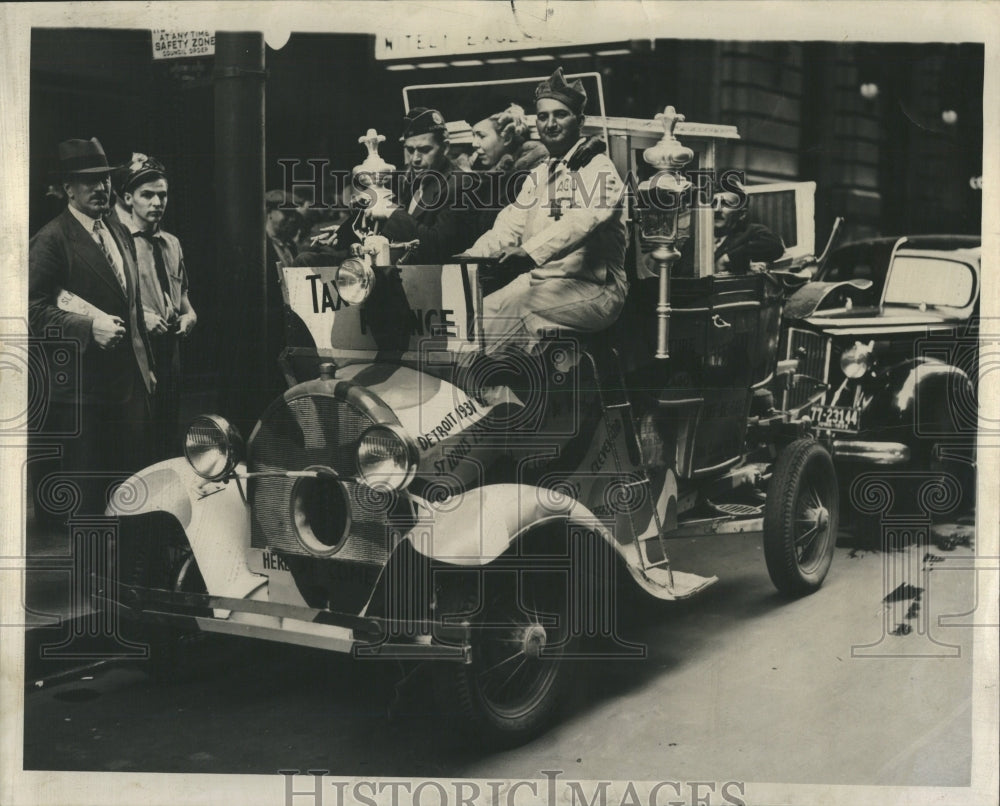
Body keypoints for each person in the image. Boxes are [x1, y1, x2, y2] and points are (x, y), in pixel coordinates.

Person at [29, 137, 156, 514]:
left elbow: (127, 301)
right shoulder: (51, 239)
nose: (101, 188)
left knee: (133, 495)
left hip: (130, 389)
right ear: (67, 188)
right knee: (89, 506)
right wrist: (87, 329)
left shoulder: (116, 230)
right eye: (89, 182)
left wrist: (146, 365)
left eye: (105, 179)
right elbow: (29, 310)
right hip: (85, 398)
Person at [466, 68, 628, 352]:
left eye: (560, 115)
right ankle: (488, 390)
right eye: (543, 116)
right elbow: (508, 227)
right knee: (482, 312)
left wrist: (529, 253)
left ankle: (488, 388)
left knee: (517, 312)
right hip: (541, 282)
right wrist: (465, 260)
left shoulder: (600, 169)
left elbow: (583, 220)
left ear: (580, 121)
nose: (550, 124)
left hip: (595, 289)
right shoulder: (539, 175)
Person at [123, 153, 197, 460]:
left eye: (162, 195)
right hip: (138, 346)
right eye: (147, 195)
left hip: (170, 346)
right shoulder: (119, 241)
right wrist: (141, 320)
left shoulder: (171, 243)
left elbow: (182, 295)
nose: (156, 202)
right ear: (129, 199)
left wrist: (191, 314)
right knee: (140, 433)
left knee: (169, 426)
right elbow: (112, 299)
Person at [358, 107, 485, 264]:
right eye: (410, 150)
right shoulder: (409, 180)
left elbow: (439, 245)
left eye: (424, 150)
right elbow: (390, 228)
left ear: (445, 148)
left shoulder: (463, 185)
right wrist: (346, 234)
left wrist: (391, 211)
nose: (415, 159)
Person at [470, 103, 548, 226]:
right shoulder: (477, 166)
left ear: (507, 138)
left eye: (481, 136)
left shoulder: (525, 174)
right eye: (473, 136)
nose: (474, 143)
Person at [710, 189, 785, 273]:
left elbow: (774, 245)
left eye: (726, 204)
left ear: (742, 214)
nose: (717, 210)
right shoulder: (698, 237)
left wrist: (728, 258)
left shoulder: (749, 231)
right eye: (714, 203)